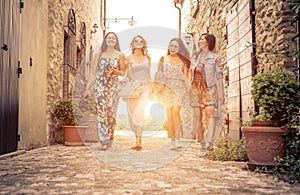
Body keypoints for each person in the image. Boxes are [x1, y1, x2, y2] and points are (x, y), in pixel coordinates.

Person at [84, 32, 126, 150]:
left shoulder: (120, 55)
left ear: (116, 41)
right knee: (102, 111)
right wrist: (88, 88)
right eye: (109, 38)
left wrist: (115, 71)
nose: (111, 39)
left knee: (111, 113)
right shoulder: (99, 54)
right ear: (105, 40)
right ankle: (103, 140)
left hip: (113, 86)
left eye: (113, 38)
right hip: (100, 85)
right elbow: (93, 73)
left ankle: (110, 134)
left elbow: (123, 72)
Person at [189, 33, 225, 156]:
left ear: (208, 42)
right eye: (199, 39)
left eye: (202, 39)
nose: (199, 41)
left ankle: (209, 142)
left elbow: (219, 75)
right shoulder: (194, 57)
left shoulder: (215, 58)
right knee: (197, 115)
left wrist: (220, 91)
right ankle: (202, 142)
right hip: (196, 88)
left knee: (210, 113)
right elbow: (190, 73)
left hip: (209, 89)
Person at [156, 38, 190, 150]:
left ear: (180, 48)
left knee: (176, 112)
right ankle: (172, 139)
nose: (173, 48)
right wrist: (156, 89)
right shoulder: (163, 59)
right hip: (166, 88)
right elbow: (158, 74)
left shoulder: (183, 61)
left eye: (176, 46)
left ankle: (177, 138)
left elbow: (185, 78)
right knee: (169, 114)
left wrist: (188, 91)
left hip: (179, 88)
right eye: (171, 46)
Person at [125, 35, 152, 151]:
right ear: (133, 44)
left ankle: (139, 141)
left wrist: (151, 89)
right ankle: (136, 137)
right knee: (131, 115)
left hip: (144, 87)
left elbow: (149, 74)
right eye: (136, 41)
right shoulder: (128, 58)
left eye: (141, 41)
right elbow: (128, 76)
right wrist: (128, 68)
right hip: (132, 88)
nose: (138, 42)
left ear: (143, 44)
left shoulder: (148, 58)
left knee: (139, 113)